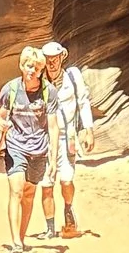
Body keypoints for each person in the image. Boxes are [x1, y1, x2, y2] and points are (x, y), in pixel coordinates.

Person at [0, 46, 53, 253]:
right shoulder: (10, 90)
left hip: (39, 150)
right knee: (16, 191)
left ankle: (22, 236)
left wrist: (52, 158)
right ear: (21, 65)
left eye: (36, 68)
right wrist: (1, 125)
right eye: (29, 66)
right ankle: (16, 242)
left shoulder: (48, 92)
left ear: (41, 70)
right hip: (15, 146)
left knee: (28, 194)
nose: (32, 71)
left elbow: (53, 126)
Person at [40, 40, 94, 241]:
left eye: (54, 59)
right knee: (46, 184)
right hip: (44, 140)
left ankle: (68, 209)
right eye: (48, 59)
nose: (52, 63)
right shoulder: (40, 80)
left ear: (62, 57)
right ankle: (50, 227)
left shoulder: (73, 76)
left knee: (66, 180)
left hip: (67, 137)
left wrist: (88, 129)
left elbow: (83, 101)